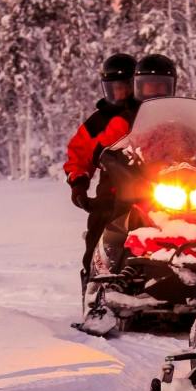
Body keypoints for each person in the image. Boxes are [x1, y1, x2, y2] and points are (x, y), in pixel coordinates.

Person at [64, 52, 138, 286]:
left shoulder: (153, 114)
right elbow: (80, 153)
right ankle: (94, 287)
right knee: (100, 224)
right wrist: (79, 183)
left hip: (159, 186)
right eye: (113, 88)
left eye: (125, 86)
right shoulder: (99, 121)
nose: (120, 93)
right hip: (115, 190)